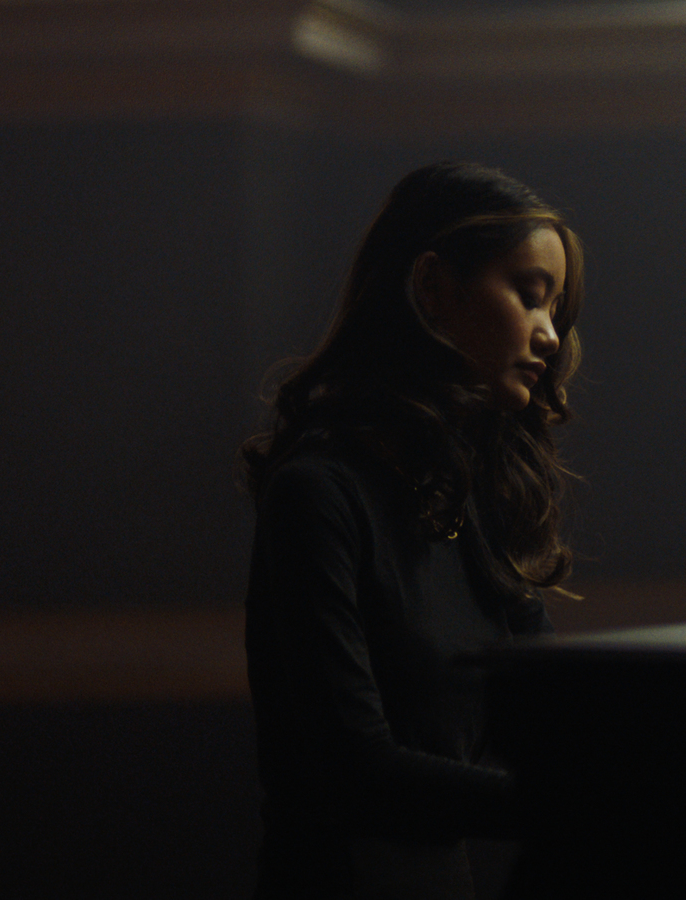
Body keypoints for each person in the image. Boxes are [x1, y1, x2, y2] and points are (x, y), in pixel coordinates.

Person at [240, 161, 584, 899]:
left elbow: (558, 712)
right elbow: (357, 769)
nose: (550, 335)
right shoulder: (319, 495)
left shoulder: (471, 506)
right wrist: (575, 806)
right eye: (529, 296)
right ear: (433, 289)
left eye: (556, 309)